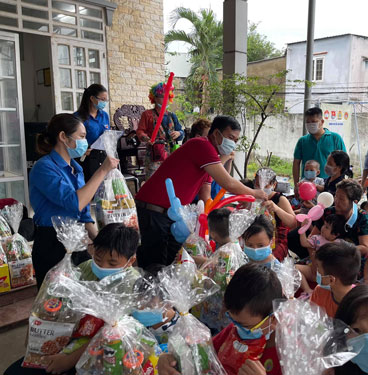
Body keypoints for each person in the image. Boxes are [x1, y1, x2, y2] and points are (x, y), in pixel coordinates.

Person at [135, 115, 267, 271]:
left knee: (171, 263)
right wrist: (255, 193)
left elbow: (206, 196)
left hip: (171, 215)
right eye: (231, 138)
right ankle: (150, 294)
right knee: (156, 266)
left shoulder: (209, 159)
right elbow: (228, 183)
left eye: (236, 140)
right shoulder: (201, 145)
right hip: (154, 210)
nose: (233, 143)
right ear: (216, 133)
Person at [29, 114, 119, 288]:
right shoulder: (44, 167)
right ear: (63, 137)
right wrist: (102, 171)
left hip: (76, 239)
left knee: (83, 296)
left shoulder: (76, 169)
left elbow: (83, 214)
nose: (85, 142)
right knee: (55, 302)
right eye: (82, 136)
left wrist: (103, 243)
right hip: (51, 242)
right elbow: (73, 202)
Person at [41, 223, 141, 374]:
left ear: (130, 261)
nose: (103, 266)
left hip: (106, 352)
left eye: (112, 263)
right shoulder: (86, 267)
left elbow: (110, 334)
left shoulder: (132, 285)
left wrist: (68, 360)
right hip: (73, 337)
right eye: (98, 259)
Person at [158, 263, 285, 375]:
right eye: (232, 320)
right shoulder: (233, 331)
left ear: (273, 319)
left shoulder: (286, 355)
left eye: (245, 326)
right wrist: (169, 359)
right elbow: (206, 355)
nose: (237, 327)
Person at [288, 179, 368, 259]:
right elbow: (312, 238)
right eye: (336, 196)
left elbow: (364, 248)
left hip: (349, 260)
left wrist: (339, 250)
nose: (336, 201)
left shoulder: (362, 217)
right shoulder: (328, 212)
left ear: (355, 202)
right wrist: (314, 262)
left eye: (341, 199)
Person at [293, 107, 346, 196]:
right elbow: (296, 163)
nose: (310, 124)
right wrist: (296, 185)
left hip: (329, 186)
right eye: (308, 122)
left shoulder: (335, 138)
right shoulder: (302, 141)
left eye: (313, 121)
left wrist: (341, 184)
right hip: (307, 186)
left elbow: (343, 163)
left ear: (321, 122)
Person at [136, 82, 185, 179]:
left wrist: (178, 133)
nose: (164, 99)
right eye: (161, 96)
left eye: (167, 97)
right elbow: (140, 131)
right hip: (155, 153)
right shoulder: (147, 114)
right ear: (154, 98)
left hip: (171, 153)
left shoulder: (172, 115)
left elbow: (181, 132)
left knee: (170, 179)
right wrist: (146, 138)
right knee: (153, 180)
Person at [297, 214, 346, 294]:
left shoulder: (340, 244)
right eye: (324, 224)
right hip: (315, 271)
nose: (323, 228)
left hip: (329, 275)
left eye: (327, 227)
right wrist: (303, 229)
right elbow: (304, 243)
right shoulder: (317, 238)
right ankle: (308, 290)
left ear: (335, 235)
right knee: (296, 268)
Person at [311, 241, 360, 318]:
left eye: (318, 267)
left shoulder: (359, 307)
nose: (316, 271)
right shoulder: (319, 291)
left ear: (331, 280)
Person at [255, 168, 296, 261]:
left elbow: (293, 223)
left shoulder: (280, 199)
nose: (261, 187)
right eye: (258, 183)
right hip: (255, 236)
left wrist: (277, 209)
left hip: (276, 239)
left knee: (269, 259)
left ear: (274, 184)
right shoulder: (253, 196)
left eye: (266, 184)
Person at [190, 118, 233, 202]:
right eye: (209, 136)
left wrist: (229, 159)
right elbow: (208, 178)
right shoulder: (197, 154)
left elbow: (225, 176)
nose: (213, 139)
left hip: (217, 201)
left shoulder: (215, 154)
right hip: (199, 203)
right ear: (198, 137)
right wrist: (223, 159)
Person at [74, 84, 110, 182]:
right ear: (92, 98)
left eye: (106, 100)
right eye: (102, 99)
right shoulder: (78, 117)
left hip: (103, 155)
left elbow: (107, 134)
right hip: (86, 156)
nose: (104, 102)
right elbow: (73, 139)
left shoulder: (104, 115)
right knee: (91, 185)